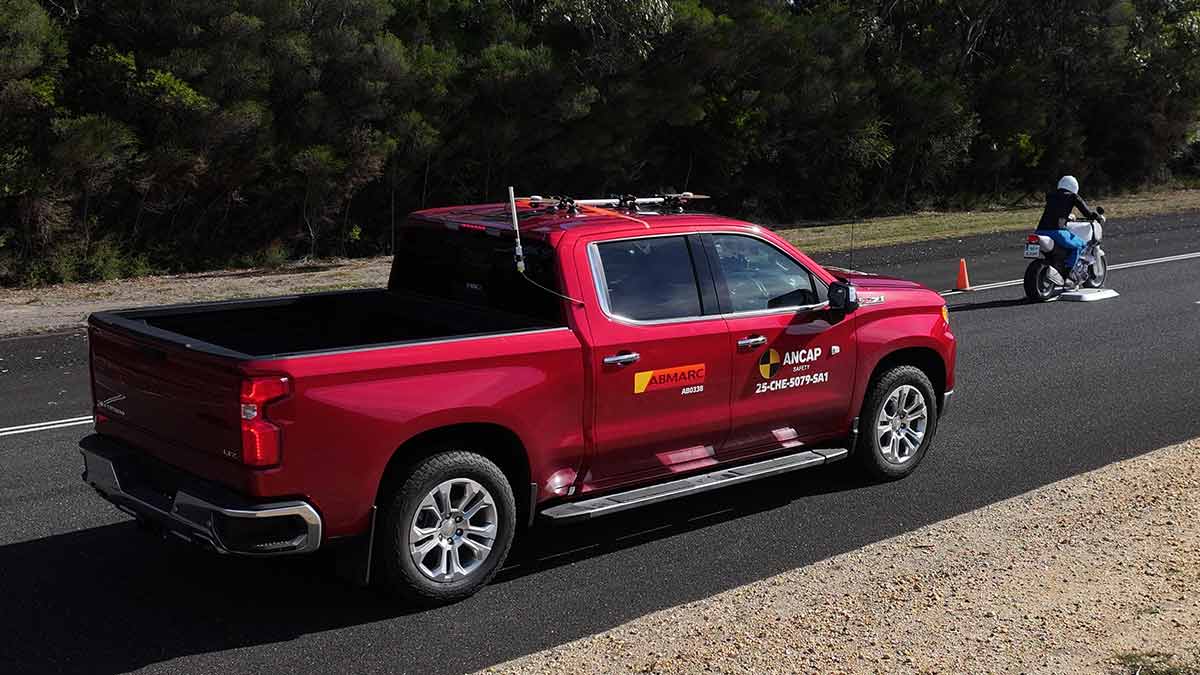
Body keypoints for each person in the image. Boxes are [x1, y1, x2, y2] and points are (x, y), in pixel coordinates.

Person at [1036, 175, 1103, 285]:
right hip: (1056, 231)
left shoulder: (1051, 196)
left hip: (1040, 231)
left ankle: (1058, 267)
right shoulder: (1073, 196)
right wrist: (1097, 217)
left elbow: (1055, 212)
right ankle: (1069, 275)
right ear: (1074, 187)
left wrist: (1067, 217)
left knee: (1065, 246)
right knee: (1080, 245)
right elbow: (1087, 213)